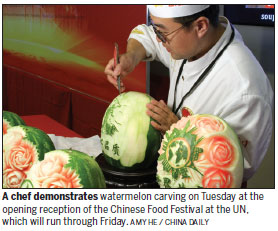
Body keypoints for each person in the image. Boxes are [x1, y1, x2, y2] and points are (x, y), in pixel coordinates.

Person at [104, 5, 273, 182]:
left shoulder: (244, 89)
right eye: (157, 30)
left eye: (163, 33)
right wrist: (131, 56)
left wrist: (179, 132)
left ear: (200, 26)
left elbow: (237, 170)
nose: (159, 40)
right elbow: (147, 37)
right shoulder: (190, 42)